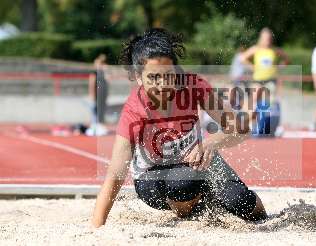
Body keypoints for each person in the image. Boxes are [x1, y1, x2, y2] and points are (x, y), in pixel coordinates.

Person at [92, 28, 267, 228]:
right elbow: (115, 175)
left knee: (240, 201)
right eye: (153, 78)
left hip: (199, 163)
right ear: (138, 77)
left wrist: (210, 143)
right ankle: (191, 207)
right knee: (180, 183)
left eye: (168, 75)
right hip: (153, 178)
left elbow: (242, 130)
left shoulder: (194, 86)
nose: (163, 85)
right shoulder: (134, 111)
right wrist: (97, 229)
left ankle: (216, 202)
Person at [240, 28, 289, 136]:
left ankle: (268, 125)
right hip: (258, 80)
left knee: (269, 104)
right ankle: (245, 124)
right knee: (252, 104)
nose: (268, 40)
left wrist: (279, 67)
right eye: (265, 38)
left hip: (270, 81)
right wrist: (252, 67)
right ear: (261, 39)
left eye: (269, 38)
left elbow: (287, 59)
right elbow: (242, 58)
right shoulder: (256, 49)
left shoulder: (275, 50)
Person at [87, 54, 109, 136]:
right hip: (96, 95)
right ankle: (94, 126)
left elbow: (107, 81)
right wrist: (91, 94)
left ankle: (100, 126)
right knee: (95, 110)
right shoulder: (94, 73)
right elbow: (92, 83)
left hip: (102, 95)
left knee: (101, 110)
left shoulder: (103, 72)